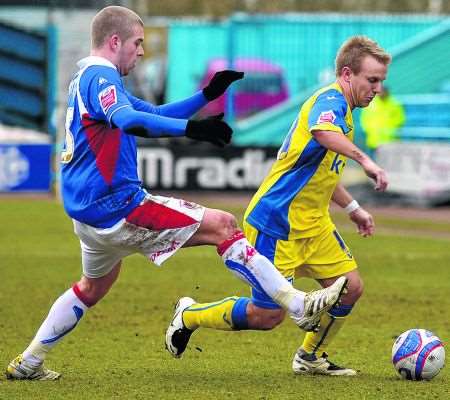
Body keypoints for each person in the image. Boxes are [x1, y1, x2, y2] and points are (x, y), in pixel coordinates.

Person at [5, 6, 347, 381]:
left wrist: (206, 95)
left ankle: (29, 361)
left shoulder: (87, 78)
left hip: (86, 214)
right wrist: (192, 129)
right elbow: (129, 120)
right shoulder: (101, 76)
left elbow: (148, 110)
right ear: (114, 41)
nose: (141, 52)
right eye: (137, 43)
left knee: (92, 286)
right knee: (223, 224)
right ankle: (298, 304)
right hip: (116, 206)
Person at [165, 35, 390, 376]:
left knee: (350, 288)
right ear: (347, 74)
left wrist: (353, 207)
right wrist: (366, 161)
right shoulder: (329, 101)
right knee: (267, 316)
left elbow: (322, 175)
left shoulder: (347, 112)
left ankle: (310, 357)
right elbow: (321, 132)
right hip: (276, 221)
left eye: (381, 81)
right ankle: (190, 314)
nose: (377, 88)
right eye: (372, 80)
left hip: (313, 224)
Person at [360, 86, 405, 158]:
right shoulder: (370, 103)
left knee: (389, 165)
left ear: (387, 92)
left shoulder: (395, 104)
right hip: (373, 141)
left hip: (390, 141)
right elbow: (364, 119)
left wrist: (391, 130)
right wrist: (368, 130)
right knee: (372, 164)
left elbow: (400, 120)